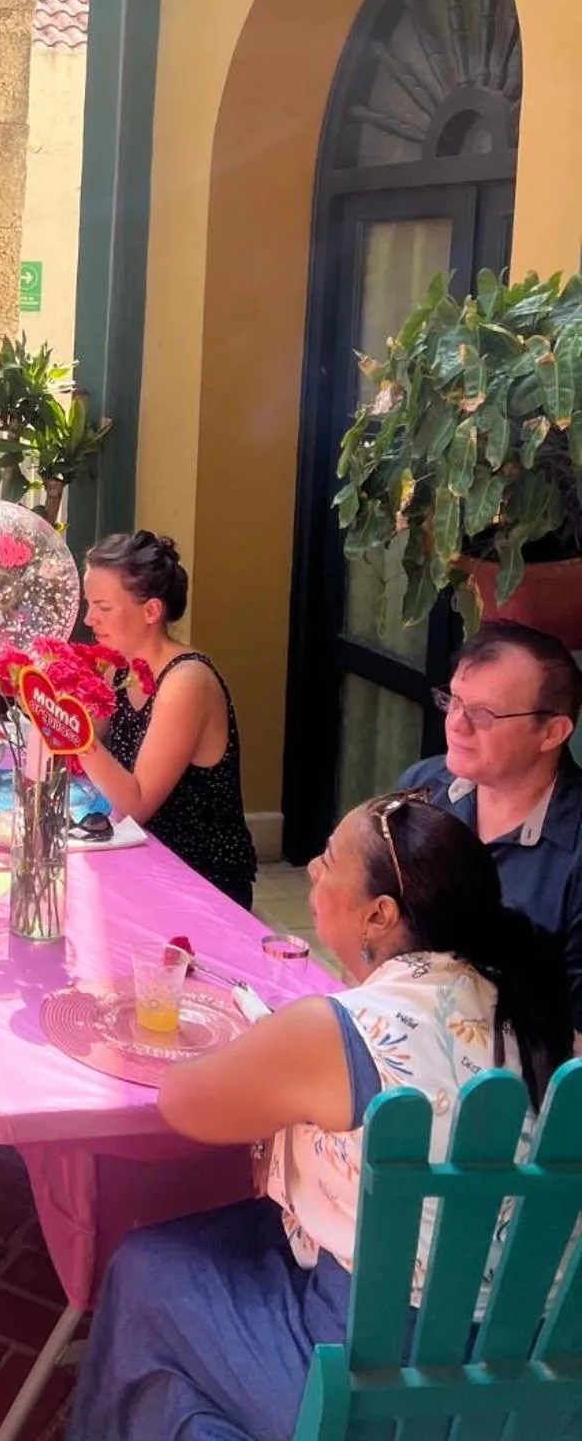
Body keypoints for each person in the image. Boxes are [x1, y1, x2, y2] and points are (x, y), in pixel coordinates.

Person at [66, 791, 573, 1441]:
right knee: (180, 1385)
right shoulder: (532, 1010)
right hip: (524, 1369)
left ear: (380, 914)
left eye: (329, 860)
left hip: (370, 1379)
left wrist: (246, 1046)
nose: (310, 869)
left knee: (144, 1268)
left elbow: (182, 1103)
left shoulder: (343, 1030)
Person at [397, 617, 582, 1036]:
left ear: (552, 732)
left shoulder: (575, 850)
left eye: (483, 713)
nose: (456, 724)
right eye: (454, 700)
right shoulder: (422, 790)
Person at [75, 530, 258, 908]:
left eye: (103, 607)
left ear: (151, 611)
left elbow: (137, 803)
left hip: (200, 882)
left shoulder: (185, 682)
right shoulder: (119, 665)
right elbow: (80, 749)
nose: (89, 618)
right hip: (141, 860)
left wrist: (70, 732)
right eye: (88, 604)